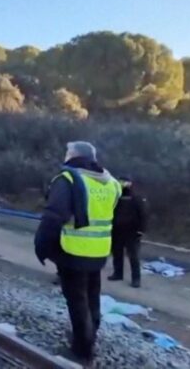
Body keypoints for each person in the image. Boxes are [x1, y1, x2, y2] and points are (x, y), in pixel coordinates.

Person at [34, 141, 121, 364]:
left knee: (77, 301)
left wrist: (42, 247)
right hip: (100, 251)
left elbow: (54, 216)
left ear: (73, 155)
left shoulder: (68, 179)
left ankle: (82, 351)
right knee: (92, 298)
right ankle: (88, 338)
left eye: (67, 152)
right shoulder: (111, 183)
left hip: (73, 252)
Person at [108, 176, 147, 288]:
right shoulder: (116, 196)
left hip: (132, 232)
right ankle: (118, 274)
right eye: (120, 182)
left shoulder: (136, 197)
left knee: (133, 256)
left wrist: (141, 230)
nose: (122, 184)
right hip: (117, 230)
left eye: (124, 182)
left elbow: (143, 214)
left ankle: (136, 279)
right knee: (117, 254)